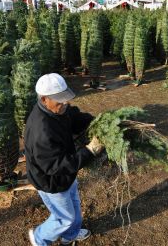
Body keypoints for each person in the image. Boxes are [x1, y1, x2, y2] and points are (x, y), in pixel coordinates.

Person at [24, 73, 104, 246]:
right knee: (64, 217)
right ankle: (39, 237)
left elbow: (74, 117)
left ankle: (70, 235)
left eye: (65, 99)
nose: (65, 104)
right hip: (51, 181)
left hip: (66, 177)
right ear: (45, 99)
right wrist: (90, 151)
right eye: (60, 101)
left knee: (74, 204)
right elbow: (57, 166)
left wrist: (97, 122)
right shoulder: (42, 131)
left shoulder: (58, 109)